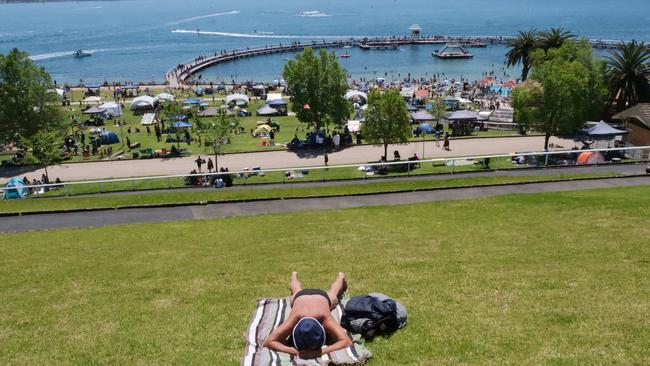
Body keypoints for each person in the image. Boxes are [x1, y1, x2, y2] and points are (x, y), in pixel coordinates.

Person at [263, 272, 352, 359]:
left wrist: (319, 352)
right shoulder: (300, 316)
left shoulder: (321, 317)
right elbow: (345, 340)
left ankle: (294, 276)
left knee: (297, 290)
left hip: (311, 297)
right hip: (310, 297)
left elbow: (346, 341)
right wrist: (289, 350)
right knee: (333, 292)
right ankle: (340, 276)